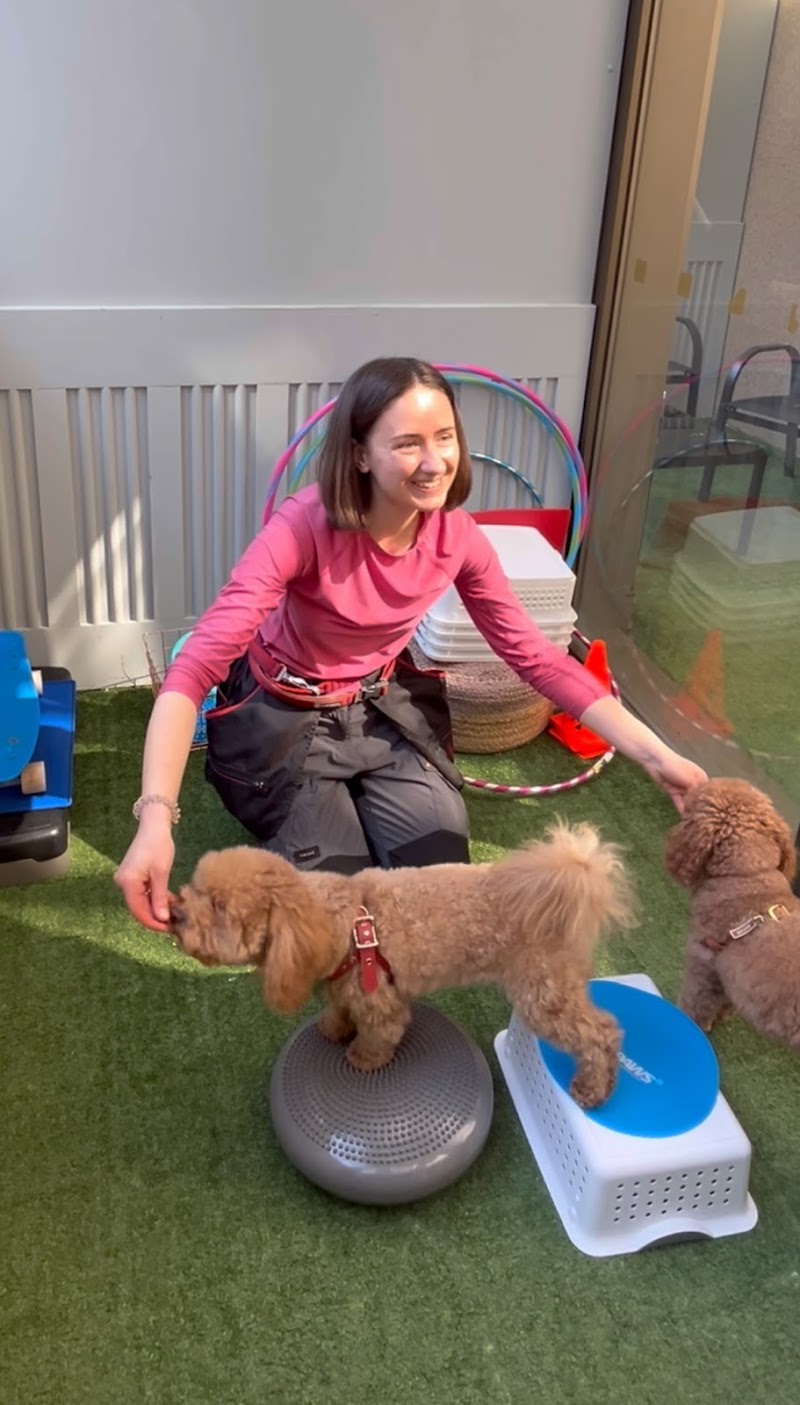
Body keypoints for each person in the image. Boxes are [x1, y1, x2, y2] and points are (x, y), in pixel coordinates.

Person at [115, 357, 707, 931]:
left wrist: (660, 758)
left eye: (444, 437)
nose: (434, 462)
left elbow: (536, 657)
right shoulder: (301, 527)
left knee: (438, 884)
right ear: (359, 454)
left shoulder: (458, 536)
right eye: (407, 444)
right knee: (336, 913)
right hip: (286, 719)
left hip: (379, 708)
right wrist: (155, 819)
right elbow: (191, 672)